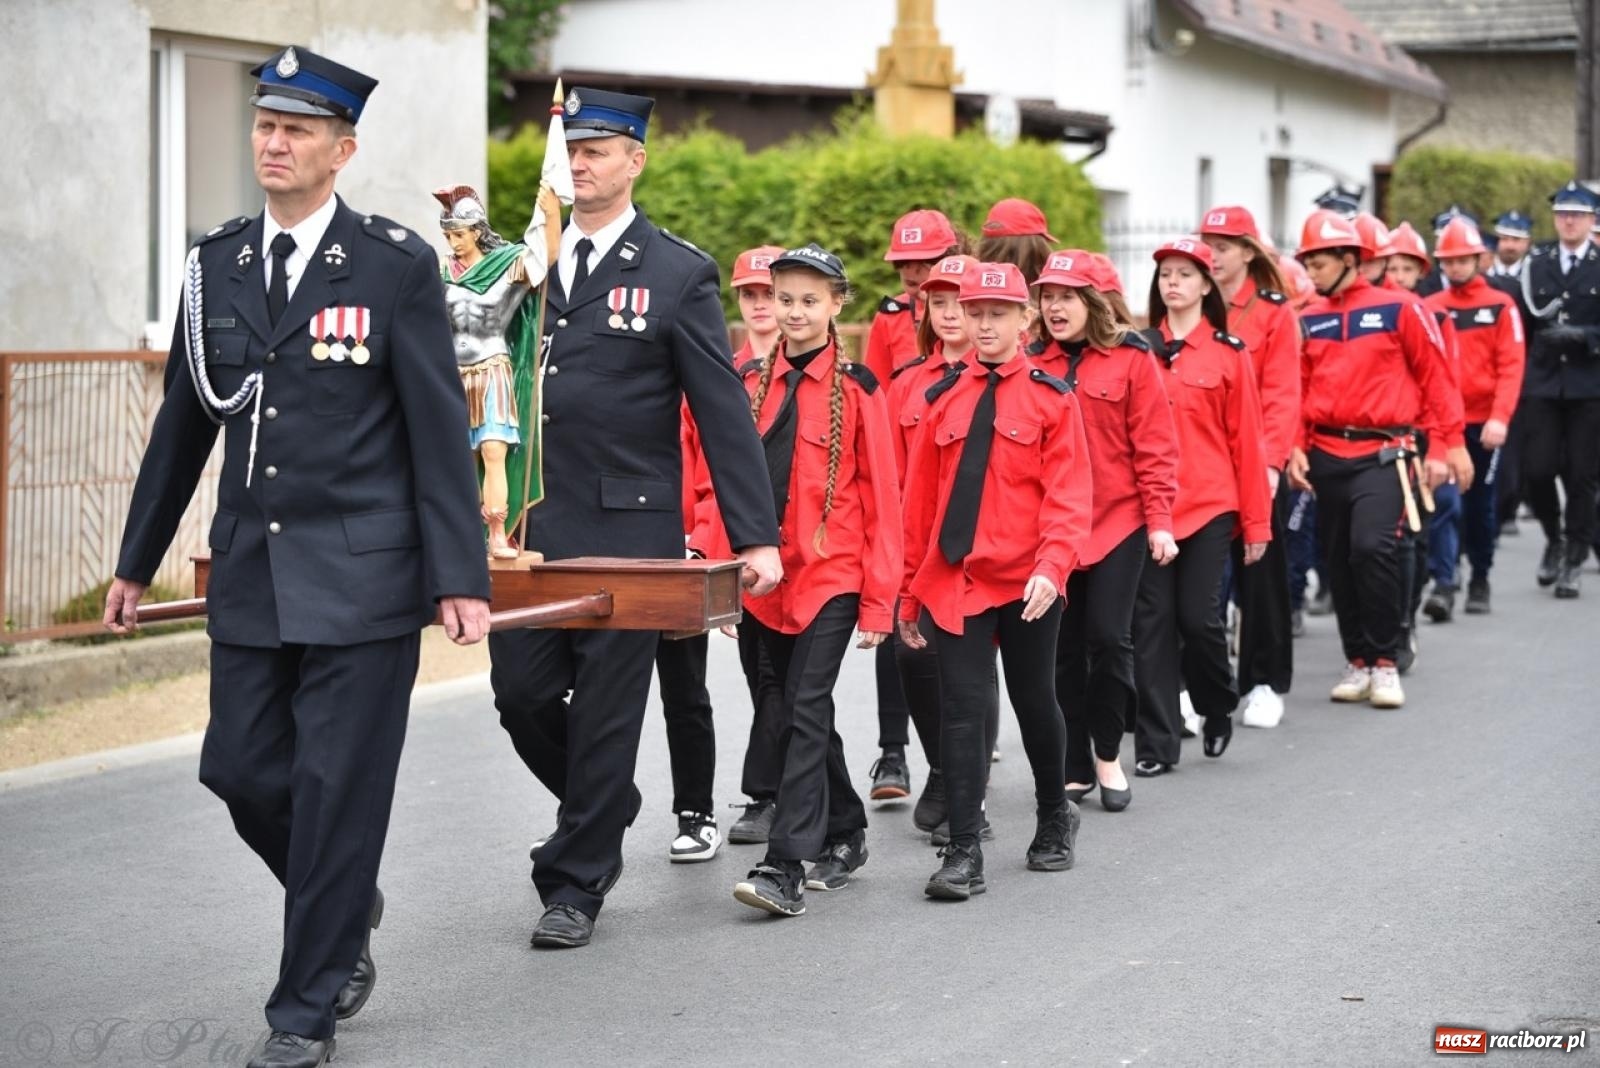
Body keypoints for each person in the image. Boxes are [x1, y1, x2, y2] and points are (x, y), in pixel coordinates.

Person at [102, 46, 492, 1068]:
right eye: (265, 126)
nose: (273, 143)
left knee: (335, 790)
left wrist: (460, 576)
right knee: (238, 770)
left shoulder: (392, 264)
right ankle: (344, 899)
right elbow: (184, 425)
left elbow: (435, 427)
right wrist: (136, 561)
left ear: (341, 150)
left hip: (365, 577)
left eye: (297, 130)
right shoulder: (217, 265)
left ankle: (304, 1010)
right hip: (253, 571)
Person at [487, 87, 781, 950]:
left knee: (609, 711)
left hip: (628, 533)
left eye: (598, 151)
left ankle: (574, 885)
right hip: (531, 527)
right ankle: (606, 802)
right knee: (521, 695)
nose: (579, 165)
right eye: (571, 151)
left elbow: (722, 414)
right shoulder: (526, 263)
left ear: (635, 161)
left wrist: (754, 536)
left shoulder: (675, 272)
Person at [899, 261, 1093, 900]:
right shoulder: (942, 399)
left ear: (1024, 319)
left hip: (1028, 578)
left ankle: (1054, 814)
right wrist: (908, 591)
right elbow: (919, 506)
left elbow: (1069, 497)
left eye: (997, 313)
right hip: (959, 578)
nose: (983, 324)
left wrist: (1052, 568)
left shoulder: (1051, 398)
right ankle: (963, 850)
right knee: (962, 709)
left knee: (1034, 700)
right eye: (974, 311)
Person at [731, 243, 901, 917]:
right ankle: (846, 829)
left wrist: (881, 602)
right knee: (794, 711)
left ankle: (784, 864)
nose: (794, 312)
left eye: (809, 300)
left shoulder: (859, 391)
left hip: (833, 575)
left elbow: (884, 499)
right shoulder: (748, 382)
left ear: (836, 304)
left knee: (804, 705)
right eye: (784, 299)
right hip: (765, 580)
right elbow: (726, 483)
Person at [1287, 210, 1463, 710]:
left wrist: (1449, 444)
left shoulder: (1401, 308)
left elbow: (1436, 378)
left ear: (1349, 259)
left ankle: (1385, 661)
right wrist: (1295, 445)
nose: (1311, 274)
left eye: (1319, 264)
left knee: (1371, 548)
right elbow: (1296, 388)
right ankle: (1357, 661)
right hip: (1325, 454)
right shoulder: (1309, 317)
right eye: (1307, 265)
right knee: (1339, 559)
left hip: (1386, 452)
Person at [1031, 250, 1178, 811]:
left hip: (1118, 521)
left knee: (1110, 639)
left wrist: (1160, 522)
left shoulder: (1132, 359)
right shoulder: (1030, 361)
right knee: (1061, 649)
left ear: (1092, 302)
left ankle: (1108, 753)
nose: (1055, 307)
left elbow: (1156, 446)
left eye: (1066, 296)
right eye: (1047, 296)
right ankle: (1073, 762)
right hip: (1053, 527)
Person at [1133, 239, 1271, 776]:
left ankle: (1216, 703)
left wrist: (1256, 524)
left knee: (1198, 618)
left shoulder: (1229, 353)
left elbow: (1248, 443)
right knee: (1152, 625)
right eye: (1166, 274)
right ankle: (1157, 744)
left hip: (1210, 505)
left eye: (1185, 274)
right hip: (1151, 509)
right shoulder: (1138, 351)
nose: (1173, 282)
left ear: (1207, 285)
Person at [884, 254, 996, 837]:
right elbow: (891, 473)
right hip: (918, 542)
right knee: (911, 654)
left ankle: (971, 797)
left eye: (960, 303)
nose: (950, 313)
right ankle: (943, 768)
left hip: (979, 548)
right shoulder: (908, 382)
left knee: (973, 671)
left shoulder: (996, 378)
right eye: (939, 302)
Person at [861, 208, 961, 801]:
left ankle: (959, 757)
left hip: (961, 505)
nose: (914, 275)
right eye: (905, 266)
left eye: (926, 263)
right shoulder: (889, 318)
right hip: (904, 497)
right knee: (894, 621)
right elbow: (875, 402)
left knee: (960, 643)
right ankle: (892, 753)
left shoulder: (975, 311)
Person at [1198, 205, 1301, 730]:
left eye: (1223, 247)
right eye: (1207, 245)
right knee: (1199, 586)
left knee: (1260, 579)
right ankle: (1199, 688)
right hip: (1204, 464)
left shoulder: (1273, 312)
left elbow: (1282, 394)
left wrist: (1272, 465)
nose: (1212, 256)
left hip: (1257, 464)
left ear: (1247, 252)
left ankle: (1264, 682)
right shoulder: (1194, 304)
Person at [705, 246, 793, 848]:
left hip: (802, 554)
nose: (760, 305)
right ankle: (787, 791)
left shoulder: (812, 373)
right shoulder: (722, 373)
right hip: (741, 555)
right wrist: (715, 559)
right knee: (761, 677)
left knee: (787, 681)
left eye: (769, 293)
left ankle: (769, 794)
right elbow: (706, 474)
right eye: (750, 294)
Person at [434, 185, 543, 560]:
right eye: (448, 235)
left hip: (492, 367)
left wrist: (549, 205)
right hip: (454, 373)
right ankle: (465, 533)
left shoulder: (509, 267)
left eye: (459, 235)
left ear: (478, 231)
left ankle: (497, 533)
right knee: (459, 456)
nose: (453, 243)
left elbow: (544, 254)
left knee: (494, 451)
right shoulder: (441, 271)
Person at [1423, 217, 1526, 616]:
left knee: (1481, 505)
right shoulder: (1431, 307)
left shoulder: (1501, 305)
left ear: (1479, 259)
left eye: (1462, 260)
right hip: (1443, 425)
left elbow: (1511, 365)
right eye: (1448, 261)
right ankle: (1445, 581)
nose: (1455, 268)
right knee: (1445, 502)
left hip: (1485, 425)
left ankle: (1480, 575)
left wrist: (1500, 417)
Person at [1518, 181, 1600, 598]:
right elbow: (1521, 325)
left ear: (1592, 220)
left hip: (1588, 384)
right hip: (1544, 382)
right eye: (1563, 214)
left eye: (1578, 215)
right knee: (1537, 470)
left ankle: (1573, 558)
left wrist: (1585, 336)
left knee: (1583, 476)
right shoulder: (1536, 263)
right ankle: (1554, 537)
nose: (1569, 221)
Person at [1488, 211, 1533, 280]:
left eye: (1516, 239)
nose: (1510, 246)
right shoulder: (1482, 271)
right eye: (1504, 238)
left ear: (1527, 243)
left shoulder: (1532, 276)